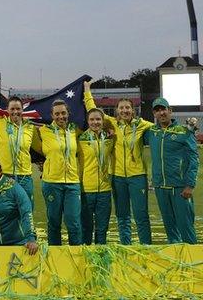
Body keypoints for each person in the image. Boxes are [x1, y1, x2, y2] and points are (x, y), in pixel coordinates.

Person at [84, 81, 152, 244]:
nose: (124, 110)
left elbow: (161, 130)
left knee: (141, 215)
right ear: (117, 111)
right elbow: (92, 109)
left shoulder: (142, 125)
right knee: (122, 216)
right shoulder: (111, 123)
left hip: (137, 176)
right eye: (121, 108)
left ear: (132, 109)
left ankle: (146, 247)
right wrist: (87, 90)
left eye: (127, 108)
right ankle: (126, 245)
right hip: (117, 177)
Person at [145, 97, 198, 244]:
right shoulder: (151, 132)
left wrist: (190, 185)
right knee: (170, 229)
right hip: (160, 187)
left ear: (170, 111)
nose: (161, 113)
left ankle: (192, 263)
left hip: (180, 187)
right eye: (157, 110)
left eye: (164, 109)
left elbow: (194, 159)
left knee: (186, 227)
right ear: (154, 114)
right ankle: (177, 262)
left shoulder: (184, 132)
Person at [36, 99, 83, 245]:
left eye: (63, 113)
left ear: (68, 113)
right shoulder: (43, 130)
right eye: (57, 114)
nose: (60, 116)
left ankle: (76, 256)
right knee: (54, 223)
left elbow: (96, 124)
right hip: (51, 183)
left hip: (72, 183)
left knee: (74, 222)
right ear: (51, 115)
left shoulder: (75, 130)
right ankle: (55, 256)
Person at [0, 157, 37, 254]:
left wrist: (31, 238)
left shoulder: (13, 187)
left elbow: (26, 212)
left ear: (0, 172)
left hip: (17, 243)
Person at [77, 108, 115, 245]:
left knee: (102, 229)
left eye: (98, 119)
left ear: (103, 121)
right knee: (86, 228)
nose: (95, 122)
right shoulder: (79, 139)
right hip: (86, 190)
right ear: (87, 121)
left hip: (104, 190)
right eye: (92, 119)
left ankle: (100, 258)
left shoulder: (110, 138)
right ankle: (85, 259)